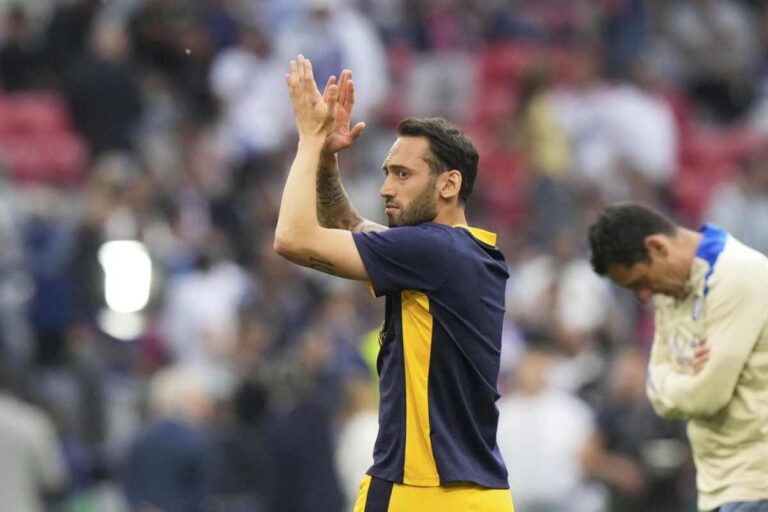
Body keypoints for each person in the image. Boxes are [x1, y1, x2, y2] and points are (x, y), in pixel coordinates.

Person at [274, 55, 514, 511]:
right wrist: (328, 158)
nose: (386, 188)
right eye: (386, 173)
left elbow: (292, 238)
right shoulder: (464, 253)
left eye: (403, 174)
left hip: (417, 489)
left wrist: (307, 139)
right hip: (484, 497)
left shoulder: (432, 250)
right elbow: (347, 224)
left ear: (449, 184)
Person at [587, 202, 768, 512]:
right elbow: (655, 384)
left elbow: (706, 396)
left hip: (756, 481)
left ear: (657, 247)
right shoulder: (671, 290)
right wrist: (687, 377)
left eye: (640, 282)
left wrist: (677, 377)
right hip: (717, 486)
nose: (644, 296)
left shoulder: (739, 276)